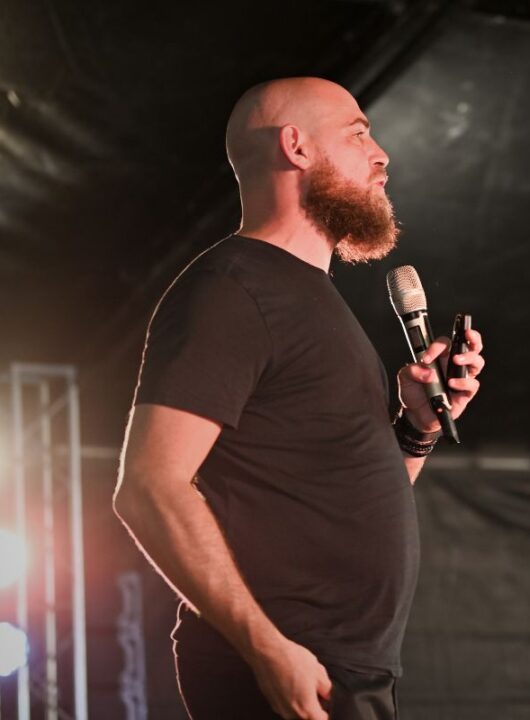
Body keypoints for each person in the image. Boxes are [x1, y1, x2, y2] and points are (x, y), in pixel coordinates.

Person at [113, 77, 484, 720]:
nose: (381, 155)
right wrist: (267, 650)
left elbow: (344, 492)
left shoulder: (312, 299)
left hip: (344, 670)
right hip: (289, 670)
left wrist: (417, 429)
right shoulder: (233, 289)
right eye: (358, 133)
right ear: (297, 146)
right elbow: (148, 487)